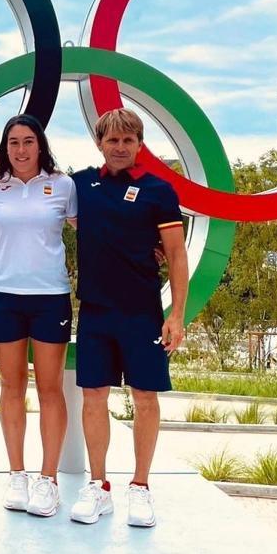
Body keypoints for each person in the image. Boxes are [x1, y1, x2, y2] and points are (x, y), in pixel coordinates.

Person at [69, 108, 189, 528]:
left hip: (142, 313)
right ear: (99, 142)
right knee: (93, 397)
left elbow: (175, 255)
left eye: (128, 140)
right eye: (112, 140)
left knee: (145, 398)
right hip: (96, 312)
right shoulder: (82, 184)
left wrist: (177, 314)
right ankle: (98, 486)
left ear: (140, 144)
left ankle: (140, 486)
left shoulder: (159, 190)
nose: (120, 147)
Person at [0, 115, 76, 518]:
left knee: (50, 389)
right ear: (5, 147)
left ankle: (47, 479)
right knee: (11, 386)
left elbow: (95, 230)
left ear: (40, 144)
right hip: (5, 296)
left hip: (51, 297)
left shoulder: (63, 186)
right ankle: (17, 474)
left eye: (28, 141)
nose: (20, 149)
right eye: (13, 142)